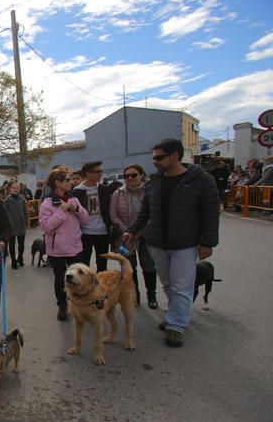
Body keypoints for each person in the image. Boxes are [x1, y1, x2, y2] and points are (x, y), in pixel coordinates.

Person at [123, 139, 220, 348]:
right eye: (153, 157)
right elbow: (145, 212)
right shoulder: (153, 182)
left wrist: (208, 242)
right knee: (167, 284)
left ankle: (176, 326)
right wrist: (132, 229)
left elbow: (210, 213)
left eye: (159, 157)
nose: (154, 161)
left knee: (181, 286)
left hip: (185, 243)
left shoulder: (201, 180)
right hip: (157, 242)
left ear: (175, 156)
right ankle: (176, 315)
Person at [40, 169, 89, 321]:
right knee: (60, 279)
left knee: (79, 279)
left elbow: (85, 219)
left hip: (75, 248)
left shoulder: (74, 200)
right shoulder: (47, 203)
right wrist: (60, 212)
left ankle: (78, 305)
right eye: (67, 180)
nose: (71, 182)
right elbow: (46, 227)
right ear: (58, 183)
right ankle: (62, 305)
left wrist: (77, 209)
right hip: (57, 251)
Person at [109, 164, 158, 309]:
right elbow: (113, 215)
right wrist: (129, 231)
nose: (130, 178)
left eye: (134, 175)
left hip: (147, 236)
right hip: (126, 237)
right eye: (127, 176)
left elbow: (155, 212)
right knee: (129, 268)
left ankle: (152, 296)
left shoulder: (151, 192)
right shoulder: (118, 194)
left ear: (142, 175)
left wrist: (142, 230)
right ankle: (134, 296)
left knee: (149, 265)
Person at [73, 161, 113, 272]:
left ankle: (100, 288)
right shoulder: (77, 192)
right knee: (83, 265)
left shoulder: (104, 189)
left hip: (103, 232)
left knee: (102, 264)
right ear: (87, 174)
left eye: (101, 171)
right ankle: (85, 288)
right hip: (85, 233)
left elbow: (110, 209)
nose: (100, 174)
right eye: (97, 171)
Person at [4, 183, 28, 269]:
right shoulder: (7, 200)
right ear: (10, 189)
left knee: (21, 244)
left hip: (21, 225)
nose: (15, 189)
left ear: (19, 189)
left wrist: (26, 221)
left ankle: (20, 258)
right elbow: (5, 213)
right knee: (12, 245)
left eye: (17, 188)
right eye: (14, 188)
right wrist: (7, 224)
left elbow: (25, 212)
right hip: (11, 226)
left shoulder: (22, 199)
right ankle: (13, 261)